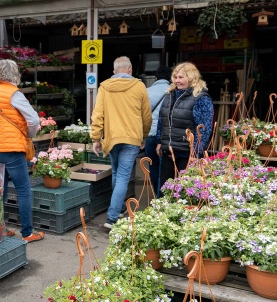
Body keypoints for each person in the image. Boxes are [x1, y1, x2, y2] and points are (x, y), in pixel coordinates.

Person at [0, 59, 45, 242]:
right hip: (11, 150)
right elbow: (33, 120)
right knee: (23, 190)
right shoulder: (14, 94)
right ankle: (27, 233)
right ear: (13, 74)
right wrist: (28, 135)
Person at [91, 56, 152, 229]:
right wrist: (144, 136)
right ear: (130, 69)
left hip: (111, 138)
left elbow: (97, 114)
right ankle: (112, 218)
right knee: (123, 177)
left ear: (114, 71)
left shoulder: (104, 87)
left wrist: (96, 137)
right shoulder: (139, 86)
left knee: (117, 174)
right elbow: (146, 116)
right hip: (132, 138)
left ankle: (116, 211)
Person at [156, 62, 214, 190]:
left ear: (191, 78)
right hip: (169, 151)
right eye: (175, 77)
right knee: (165, 189)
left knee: (184, 191)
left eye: (181, 77)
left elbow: (204, 129)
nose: (177, 81)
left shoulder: (200, 98)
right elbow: (162, 119)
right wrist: (160, 141)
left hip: (187, 153)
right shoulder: (169, 95)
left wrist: (196, 151)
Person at [145, 66, 172, 197]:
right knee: (165, 168)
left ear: (156, 77)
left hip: (150, 134)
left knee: (153, 166)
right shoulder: (173, 92)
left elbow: (141, 114)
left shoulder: (147, 91)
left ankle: (155, 195)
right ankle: (162, 196)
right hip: (165, 135)